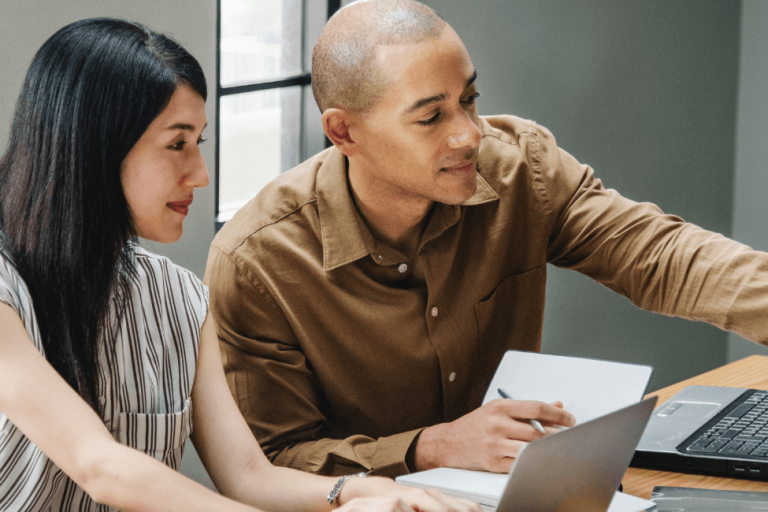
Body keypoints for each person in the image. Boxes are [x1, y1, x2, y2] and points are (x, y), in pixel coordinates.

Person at [204, 0, 768, 479]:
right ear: (344, 130)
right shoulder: (257, 261)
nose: (468, 134)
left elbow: (661, 256)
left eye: (468, 99)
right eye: (430, 118)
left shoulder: (520, 167)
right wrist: (430, 448)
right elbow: (271, 463)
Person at [0, 17, 481, 512]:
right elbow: (100, 466)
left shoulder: (180, 298)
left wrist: (356, 490)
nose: (202, 174)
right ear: (95, 144)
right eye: (177, 144)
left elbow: (247, 476)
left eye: (200, 143)